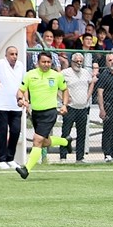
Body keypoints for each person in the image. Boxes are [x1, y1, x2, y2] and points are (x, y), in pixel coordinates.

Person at [15, 51, 70, 179]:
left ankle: (26, 169)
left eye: (49, 62)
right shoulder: (30, 75)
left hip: (50, 112)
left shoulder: (57, 76)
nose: (46, 64)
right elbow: (20, 91)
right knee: (43, 141)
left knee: (37, 140)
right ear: (37, 63)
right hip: (36, 113)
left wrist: (64, 104)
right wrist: (20, 100)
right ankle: (64, 142)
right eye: (44, 62)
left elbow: (65, 90)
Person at [0, 46, 25, 169]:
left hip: (16, 105)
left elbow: (23, 84)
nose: (14, 56)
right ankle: (1, 159)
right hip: (1, 105)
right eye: (12, 54)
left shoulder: (20, 65)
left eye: (16, 54)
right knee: (2, 132)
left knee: (15, 132)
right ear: (6, 55)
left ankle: (10, 158)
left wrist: (24, 99)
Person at [59, 51, 94, 163]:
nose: (79, 63)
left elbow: (91, 82)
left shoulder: (85, 73)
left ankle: (80, 158)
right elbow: (56, 87)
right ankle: (63, 157)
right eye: (77, 61)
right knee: (65, 132)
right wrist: (63, 98)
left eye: (81, 61)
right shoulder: (65, 73)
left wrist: (88, 96)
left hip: (82, 108)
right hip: (70, 107)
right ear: (72, 61)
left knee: (82, 134)